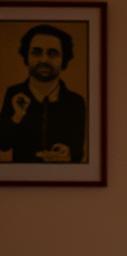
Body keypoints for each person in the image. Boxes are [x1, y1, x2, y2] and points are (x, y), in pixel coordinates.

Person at [0, 23, 86, 163]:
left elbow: (79, 154)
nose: (44, 60)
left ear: (64, 59)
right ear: (26, 56)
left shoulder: (76, 102)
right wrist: (17, 116)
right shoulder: (13, 93)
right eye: (36, 52)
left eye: (52, 53)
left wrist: (69, 155)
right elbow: (3, 145)